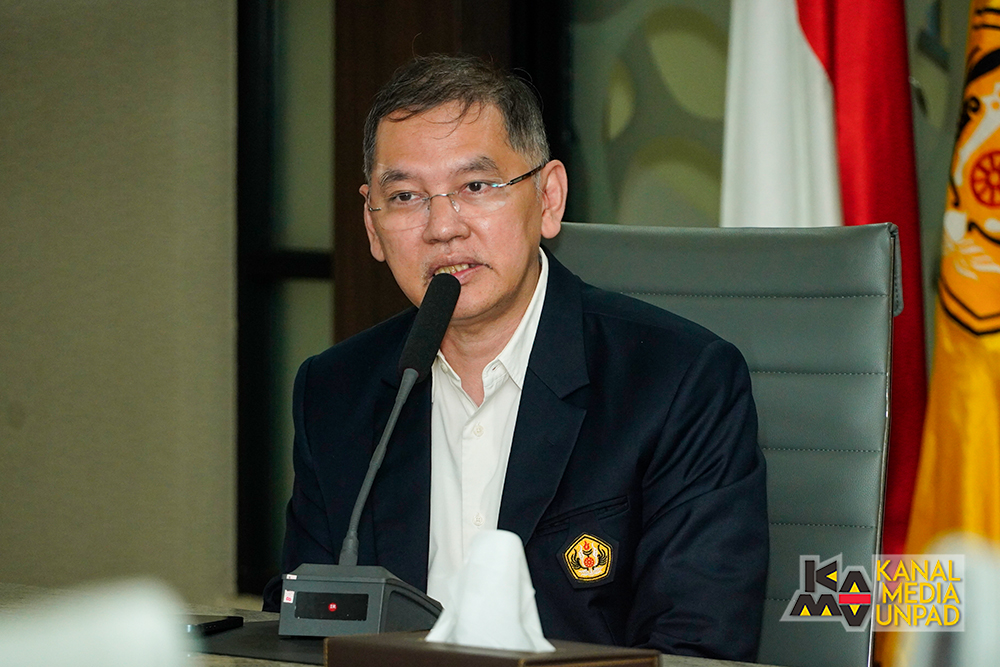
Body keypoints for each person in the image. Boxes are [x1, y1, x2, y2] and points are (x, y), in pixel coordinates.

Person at [263, 54, 767, 660]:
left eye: (476, 187)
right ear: (372, 225)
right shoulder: (335, 392)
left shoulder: (678, 382)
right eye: (405, 196)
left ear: (548, 198)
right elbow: (306, 633)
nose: (442, 227)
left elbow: (696, 649)